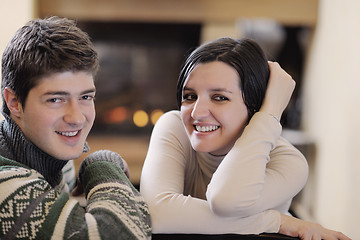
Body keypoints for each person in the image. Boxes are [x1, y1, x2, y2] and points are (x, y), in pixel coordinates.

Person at [140, 38, 350, 239]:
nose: (196, 112)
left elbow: (226, 200)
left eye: (220, 98)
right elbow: (155, 214)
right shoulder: (174, 126)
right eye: (190, 96)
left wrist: (271, 113)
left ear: (255, 106)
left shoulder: (289, 163)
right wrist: (277, 222)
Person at [0, 16, 151, 239]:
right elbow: (126, 233)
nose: (77, 118)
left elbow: (138, 222)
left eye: (85, 97)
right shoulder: (6, 184)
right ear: (14, 102)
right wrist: (101, 166)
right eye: (55, 100)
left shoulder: (57, 159)